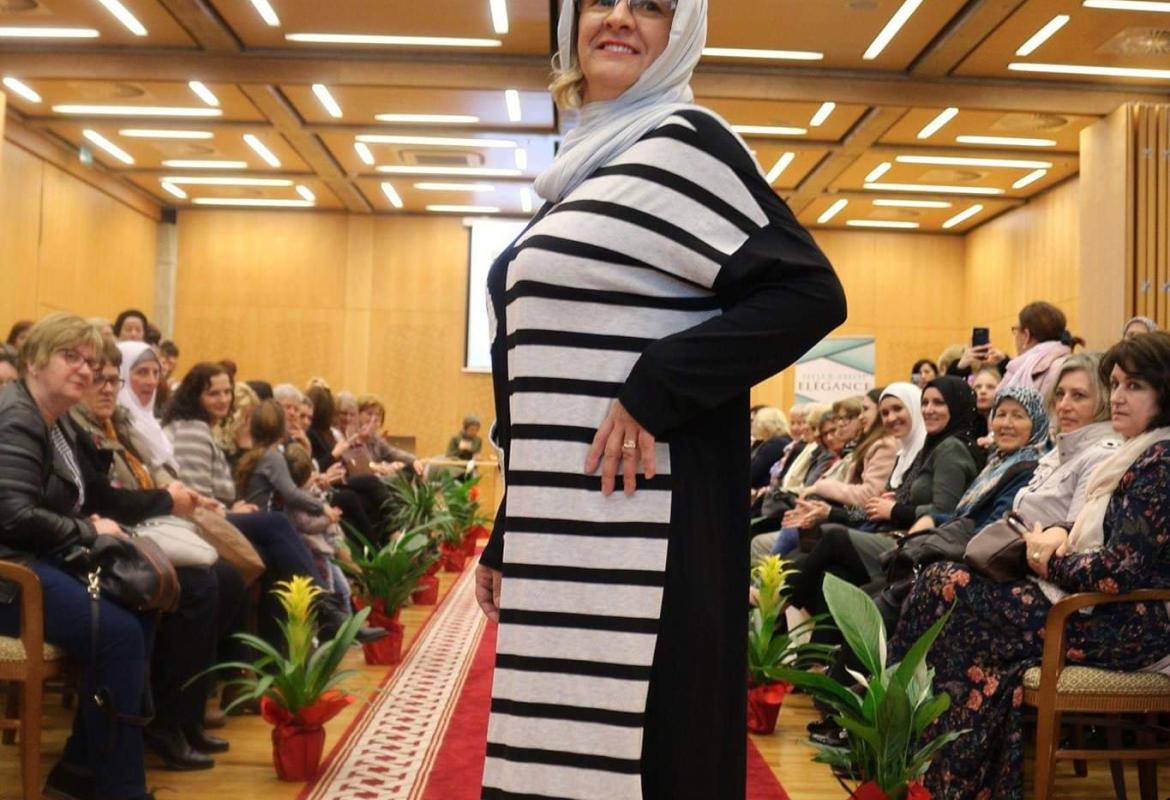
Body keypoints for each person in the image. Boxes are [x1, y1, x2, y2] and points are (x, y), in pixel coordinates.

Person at [474, 0, 848, 795]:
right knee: (554, 757)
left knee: (643, 763)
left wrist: (657, 385)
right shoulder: (584, 168)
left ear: (681, 31)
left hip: (643, 529)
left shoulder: (686, 144)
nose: (619, 18)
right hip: (562, 531)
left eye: (649, 4)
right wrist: (511, 525)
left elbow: (809, 292)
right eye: (600, 1)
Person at [891, 332, 1170, 800]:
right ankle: (936, 774)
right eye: (1117, 384)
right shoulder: (1139, 451)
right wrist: (1059, 535)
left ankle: (916, 760)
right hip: (1097, 609)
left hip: (1127, 625)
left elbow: (1118, 573)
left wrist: (1048, 559)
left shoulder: (1158, 463)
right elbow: (1104, 536)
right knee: (960, 622)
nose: (1118, 397)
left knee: (947, 589)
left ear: (1164, 392)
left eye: (1134, 386)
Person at [0, 313, 154, 800]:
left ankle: (84, 767)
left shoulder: (56, 418)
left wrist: (91, 527)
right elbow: (13, 516)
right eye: (72, 357)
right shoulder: (17, 417)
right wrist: (88, 530)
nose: (85, 370)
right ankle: (117, 786)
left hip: (41, 560)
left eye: (90, 361)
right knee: (121, 634)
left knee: (141, 602)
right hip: (11, 580)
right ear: (34, 361)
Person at [69, 340, 238, 770]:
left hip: (134, 528)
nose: (108, 388)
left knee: (224, 577)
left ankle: (187, 717)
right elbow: (105, 499)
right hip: (100, 542)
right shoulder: (77, 428)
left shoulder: (118, 423)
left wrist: (176, 497)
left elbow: (148, 478)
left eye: (114, 380)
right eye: (99, 379)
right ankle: (166, 722)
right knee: (196, 585)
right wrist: (167, 500)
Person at [162, 363, 382, 644]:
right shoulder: (193, 431)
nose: (223, 399)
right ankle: (325, 611)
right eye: (213, 393)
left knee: (275, 553)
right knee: (276, 524)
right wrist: (230, 509)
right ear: (195, 395)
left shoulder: (202, 428)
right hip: (198, 522)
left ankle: (295, 640)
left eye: (227, 392)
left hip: (215, 516)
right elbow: (197, 499)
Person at [998, 300, 1084, 396]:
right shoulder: (1067, 364)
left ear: (1026, 335)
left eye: (1016, 330)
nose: (1015, 336)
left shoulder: (1052, 369)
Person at [117, 342, 175, 473]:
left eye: (156, 373)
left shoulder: (152, 426)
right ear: (122, 374)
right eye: (142, 372)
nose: (152, 381)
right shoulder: (115, 426)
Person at [748, 407, 790, 489]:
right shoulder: (780, 440)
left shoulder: (776, 443)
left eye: (754, 422)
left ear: (766, 426)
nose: (752, 425)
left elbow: (754, 471)